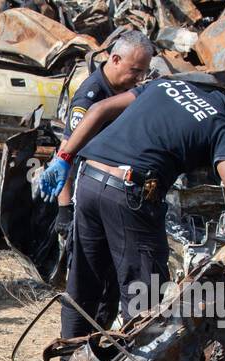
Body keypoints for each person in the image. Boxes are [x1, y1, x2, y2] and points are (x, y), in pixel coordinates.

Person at [40, 77, 225, 339]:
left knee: (83, 282)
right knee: (144, 294)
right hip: (130, 193)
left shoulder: (169, 85)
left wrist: (64, 158)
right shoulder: (223, 126)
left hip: (89, 179)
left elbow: (99, 109)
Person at [54, 32, 155, 245]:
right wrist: (64, 208)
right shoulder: (89, 97)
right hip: (89, 189)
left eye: (144, 72)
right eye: (135, 71)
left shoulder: (125, 88)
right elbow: (66, 152)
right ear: (115, 59)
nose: (140, 79)